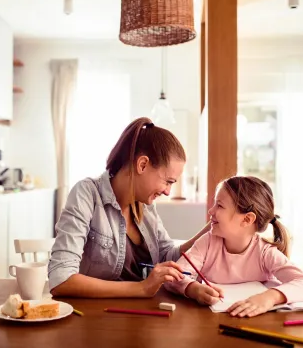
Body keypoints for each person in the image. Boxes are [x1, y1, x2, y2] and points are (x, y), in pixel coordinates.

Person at [48, 117, 212, 298]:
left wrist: (211, 227)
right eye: (168, 181)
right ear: (142, 165)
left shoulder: (145, 205)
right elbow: (61, 279)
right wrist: (142, 289)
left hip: (144, 315)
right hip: (94, 317)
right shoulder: (87, 194)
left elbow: (167, 257)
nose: (167, 191)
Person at [165, 176, 303, 317]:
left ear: (247, 219)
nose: (211, 211)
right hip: (210, 320)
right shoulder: (207, 243)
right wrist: (194, 289)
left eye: (220, 205)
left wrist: (269, 297)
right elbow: (173, 277)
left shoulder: (265, 253)